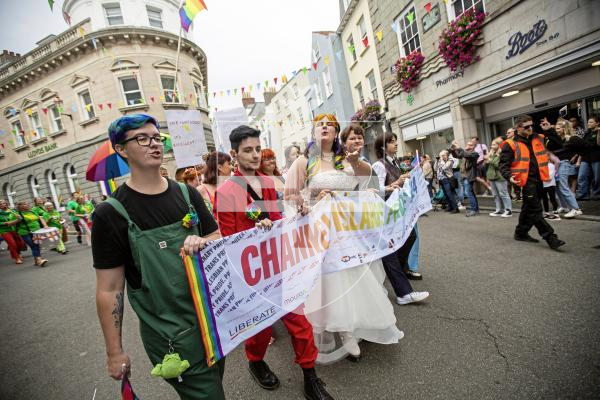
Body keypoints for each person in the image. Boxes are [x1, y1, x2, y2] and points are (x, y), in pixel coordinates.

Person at [91, 114, 226, 399]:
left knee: (214, 384)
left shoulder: (187, 193)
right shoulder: (111, 214)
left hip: (214, 322)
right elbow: (110, 289)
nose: (154, 144)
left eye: (156, 137)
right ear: (121, 149)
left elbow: (216, 237)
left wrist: (202, 240)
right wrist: (114, 352)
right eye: (142, 138)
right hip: (173, 338)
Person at [214, 125, 333, 400]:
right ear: (234, 154)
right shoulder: (227, 191)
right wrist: (255, 232)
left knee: (300, 322)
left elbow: (281, 223)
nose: (255, 155)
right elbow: (229, 240)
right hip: (252, 274)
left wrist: (299, 211)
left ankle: (310, 376)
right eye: (248, 150)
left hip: (279, 266)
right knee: (260, 328)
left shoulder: (269, 184)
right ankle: (255, 361)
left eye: (258, 148)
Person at [287, 117, 403, 364]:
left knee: (355, 273)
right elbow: (290, 197)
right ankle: (344, 330)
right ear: (314, 131)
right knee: (331, 279)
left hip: (347, 229)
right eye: (321, 124)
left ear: (336, 132)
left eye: (331, 124)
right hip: (319, 229)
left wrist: (358, 173)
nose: (325, 126)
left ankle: (360, 323)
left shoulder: (344, 159)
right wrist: (313, 196)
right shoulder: (303, 161)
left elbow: (364, 180)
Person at [371, 132, 430, 303]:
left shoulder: (394, 162)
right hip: (386, 211)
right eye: (391, 142)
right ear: (383, 146)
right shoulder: (379, 165)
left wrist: (404, 179)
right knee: (390, 248)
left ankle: (398, 270)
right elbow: (376, 190)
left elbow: (396, 183)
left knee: (410, 236)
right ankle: (403, 290)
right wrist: (395, 184)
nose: (396, 144)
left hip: (398, 210)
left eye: (396, 141)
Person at [499, 114, 565, 250]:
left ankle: (521, 233)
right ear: (518, 127)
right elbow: (503, 165)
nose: (530, 128)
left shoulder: (539, 137)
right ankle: (551, 237)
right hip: (526, 180)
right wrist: (509, 176)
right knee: (535, 209)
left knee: (528, 207)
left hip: (540, 178)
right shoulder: (510, 144)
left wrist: (549, 130)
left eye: (531, 126)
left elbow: (559, 145)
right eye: (526, 127)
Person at [541, 118, 583, 218]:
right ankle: (564, 206)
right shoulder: (559, 138)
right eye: (556, 128)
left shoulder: (570, 138)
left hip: (564, 163)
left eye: (558, 128)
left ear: (564, 129)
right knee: (558, 186)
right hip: (558, 164)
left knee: (563, 186)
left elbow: (583, 147)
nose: (556, 130)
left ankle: (576, 209)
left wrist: (577, 156)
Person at [450, 139, 480, 217]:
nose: (467, 145)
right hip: (464, 176)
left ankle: (474, 210)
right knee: (471, 192)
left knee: (468, 192)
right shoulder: (465, 154)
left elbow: (466, 155)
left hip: (469, 176)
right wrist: (453, 149)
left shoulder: (475, 154)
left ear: (473, 147)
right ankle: (476, 209)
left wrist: (459, 147)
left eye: (470, 145)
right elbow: (457, 156)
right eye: (467, 144)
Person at [484, 137, 512, 217]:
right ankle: (499, 209)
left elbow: (498, 165)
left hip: (500, 176)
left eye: (493, 145)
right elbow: (487, 164)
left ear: (499, 145)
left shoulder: (501, 153)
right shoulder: (492, 153)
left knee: (504, 194)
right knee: (495, 194)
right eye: (491, 145)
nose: (491, 146)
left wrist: (489, 159)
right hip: (492, 176)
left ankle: (508, 210)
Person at [16, 200, 48, 266]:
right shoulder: (17, 214)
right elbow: (11, 223)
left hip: (36, 231)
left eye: (27, 203)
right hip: (25, 232)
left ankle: (36, 260)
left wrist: (45, 225)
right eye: (25, 204)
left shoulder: (32, 211)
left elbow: (40, 218)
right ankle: (39, 260)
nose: (27, 205)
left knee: (35, 245)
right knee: (34, 245)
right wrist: (18, 220)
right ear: (20, 206)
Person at [576, 115, 600, 201]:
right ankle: (583, 195)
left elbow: (598, 144)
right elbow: (583, 147)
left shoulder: (598, 132)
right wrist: (578, 160)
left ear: (597, 123)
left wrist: (599, 132)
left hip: (597, 158)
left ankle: (597, 194)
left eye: (591, 122)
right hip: (585, 158)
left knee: (597, 178)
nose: (588, 123)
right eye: (588, 122)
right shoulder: (587, 133)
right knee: (582, 176)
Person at [0, 199, 23, 264]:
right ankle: (17, 258)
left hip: (14, 229)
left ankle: (17, 253)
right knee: (12, 244)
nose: (2, 205)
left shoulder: (12, 211)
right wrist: (16, 221)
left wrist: (19, 218)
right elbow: (7, 223)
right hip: (4, 230)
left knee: (20, 243)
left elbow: (19, 219)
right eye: (0, 204)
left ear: (6, 204)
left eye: (4, 203)